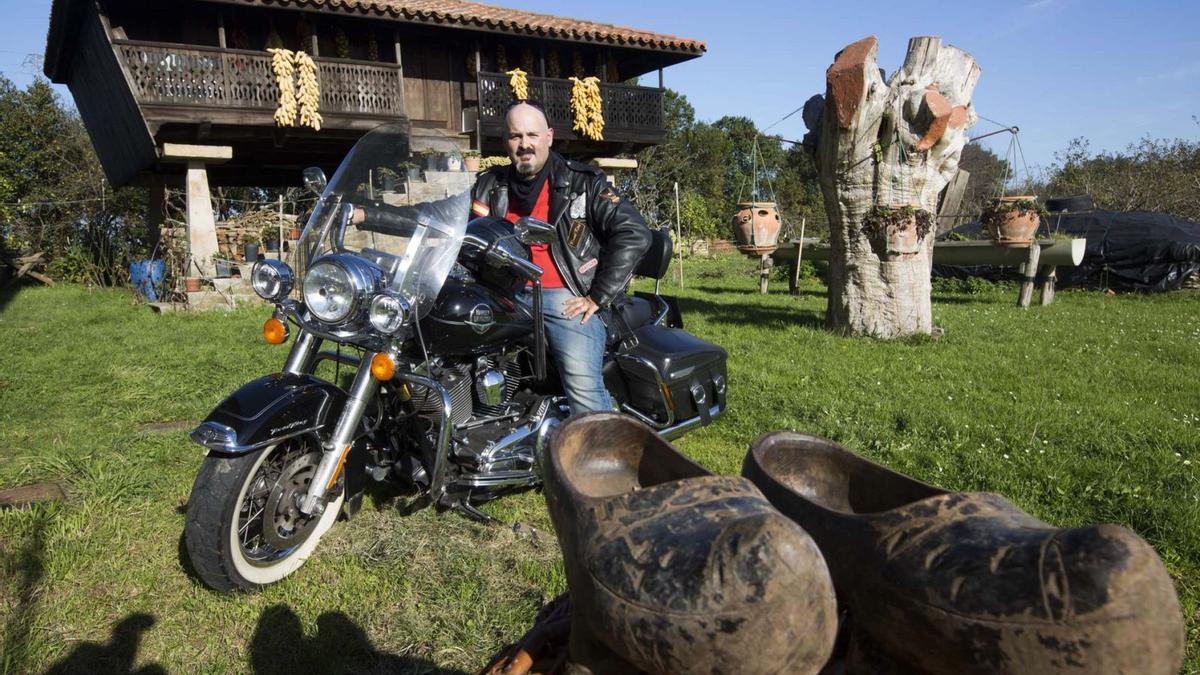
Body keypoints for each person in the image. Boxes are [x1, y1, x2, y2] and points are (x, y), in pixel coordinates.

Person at [471, 100, 652, 413]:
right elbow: (439, 216)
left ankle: (603, 450)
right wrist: (372, 214)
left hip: (562, 296)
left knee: (584, 393)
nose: (524, 144)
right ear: (506, 141)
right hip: (502, 293)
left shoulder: (583, 182)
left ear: (549, 137)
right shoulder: (490, 185)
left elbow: (634, 232)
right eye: (516, 136)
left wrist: (598, 296)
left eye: (532, 134)